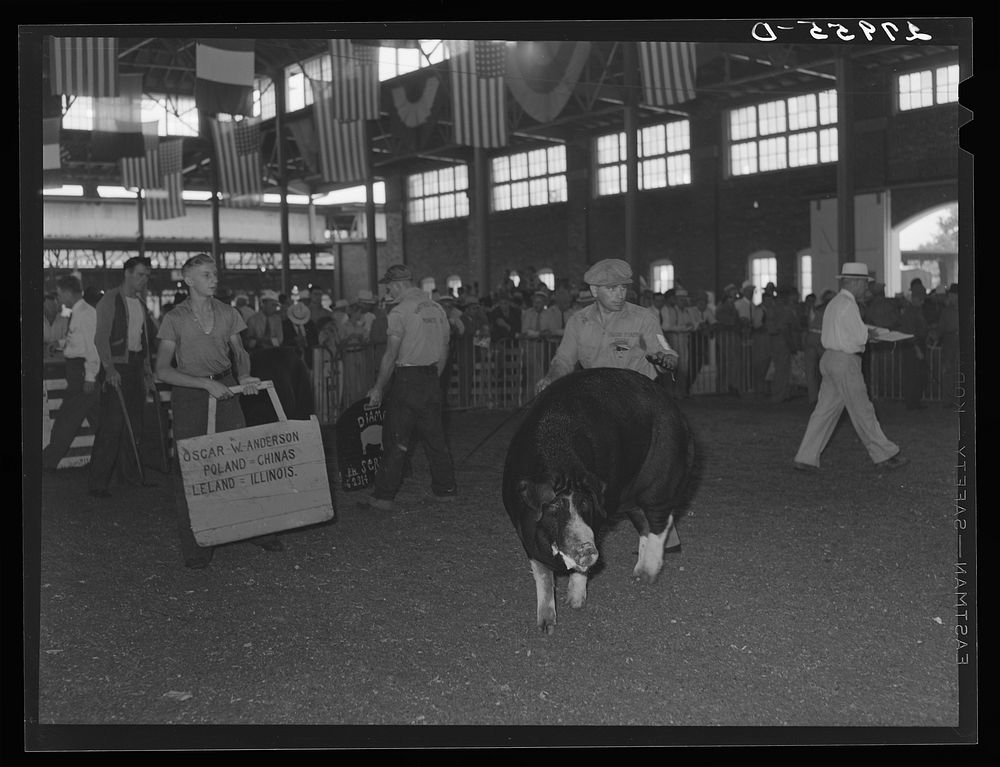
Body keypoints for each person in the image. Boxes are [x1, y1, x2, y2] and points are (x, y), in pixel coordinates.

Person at [535, 258, 681, 550]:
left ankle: (662, 532)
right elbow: (565, 359)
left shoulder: (643, 318)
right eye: (612, 288)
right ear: (594, 290)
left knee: (632, 473)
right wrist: (550, 378)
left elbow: (664, 350)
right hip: (594, 404)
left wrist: (667, 360)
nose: (620, 293)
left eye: (622, 288)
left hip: (635, 404)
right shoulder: (579, 321)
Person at [154, 254, 284, 569]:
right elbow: (162, 371)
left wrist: (244, 376)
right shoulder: (174, 318)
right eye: (206, 274)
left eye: (214, 274)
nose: (214, 279)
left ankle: (257, 529)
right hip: (189, 396)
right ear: (188, 280)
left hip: (226, 390)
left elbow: (239, 351)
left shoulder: (228, 313)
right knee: (191, 469)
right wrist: (203, 384)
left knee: (240, 460)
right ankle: (197, 546)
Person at [793, 263, 909, 472]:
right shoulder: (849, 304)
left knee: (824, 412)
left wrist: (865, 334)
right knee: (863, 410)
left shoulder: (834, 303)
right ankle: (885, 454)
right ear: (855, 282)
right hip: (845, 362)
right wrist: (874, 335)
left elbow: (845, 332)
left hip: (829, 359)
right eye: (864, 283)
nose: (866, 288)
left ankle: (806, 457)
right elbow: (858, 336)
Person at [363, 265, 457, 512]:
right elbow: (445, 348)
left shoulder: (400, 311)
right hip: (431, 378)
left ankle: (384, 495)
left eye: (389, 286)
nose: (387, 290)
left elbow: (390, 354)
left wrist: (378, 387)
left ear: (398, 284)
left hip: (407, 379)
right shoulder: (437, 308)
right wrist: (433, 378)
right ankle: (445, 490)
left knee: (396, 439)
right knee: (436, 439)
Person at [88, 256, 156, 498]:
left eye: (147, 275)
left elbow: (143, 341)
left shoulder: (139, 303)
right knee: (111, 426)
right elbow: (100, 338)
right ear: (127, 273)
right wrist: (109, 369)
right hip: (116, 369)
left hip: (136, 368)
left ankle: (129, 477)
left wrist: (147, 371)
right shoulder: (109, 300)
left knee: (133, 425)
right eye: (140, 274)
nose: (144, 279)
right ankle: (98, 483)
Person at [42, 275, 102, 471]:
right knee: (100, 422)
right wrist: (59, 344)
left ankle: (46, 463)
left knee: (65, 421)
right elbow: (79, 341)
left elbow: (93, 347)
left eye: (59, 295)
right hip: (80, 370)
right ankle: (114, 461)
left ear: (68, 293)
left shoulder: (84, 313)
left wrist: (90, 376)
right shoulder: (80, 312)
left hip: (82, 372)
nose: (59, 299)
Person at [898, 281, 930, 410]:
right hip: (912, 347)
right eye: (921, 299)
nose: (922, 302)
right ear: (915, 298)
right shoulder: (910, 313)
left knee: (918, 374)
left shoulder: (916, 311)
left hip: (918, 344)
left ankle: (915, 401)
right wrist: (917, 349)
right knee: (912, 374)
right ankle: (911, 403)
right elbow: (910, 333)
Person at [44, 291, 70, 358]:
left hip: (60, 356)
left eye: (55, 305)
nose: (54, 309)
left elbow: (68, 340)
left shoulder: (64, 320)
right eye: (50, 306)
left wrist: (58, 343)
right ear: (43, 307)